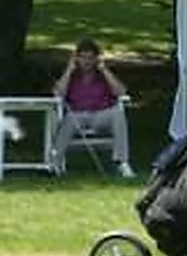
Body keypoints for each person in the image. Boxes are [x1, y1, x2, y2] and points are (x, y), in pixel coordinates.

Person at [52, 37, 134, 177]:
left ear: (96, 59)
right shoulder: (72, 76)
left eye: (90, 58)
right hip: (77, 115)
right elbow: (58, 93)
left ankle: (122, 162)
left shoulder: (102, 76)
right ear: (76, 59)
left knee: (118, 113)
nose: (86, 62)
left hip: (100, 115)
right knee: (69, 118)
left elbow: (121, 92)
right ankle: (55, 162)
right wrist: (69, 69)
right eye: (83, 58)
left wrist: (104, 70)